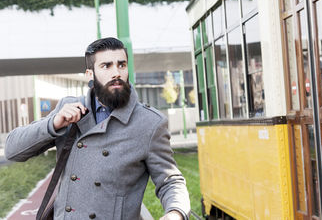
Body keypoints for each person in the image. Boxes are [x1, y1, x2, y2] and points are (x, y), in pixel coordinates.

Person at [5, 37, 190, 220]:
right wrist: (53, 124)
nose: (116, 72)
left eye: (121, 65)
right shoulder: (69, 108)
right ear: (90, 74)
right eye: (106, 66)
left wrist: (175, 212)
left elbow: (170, 181)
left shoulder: (149, 123)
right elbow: (13, 150)